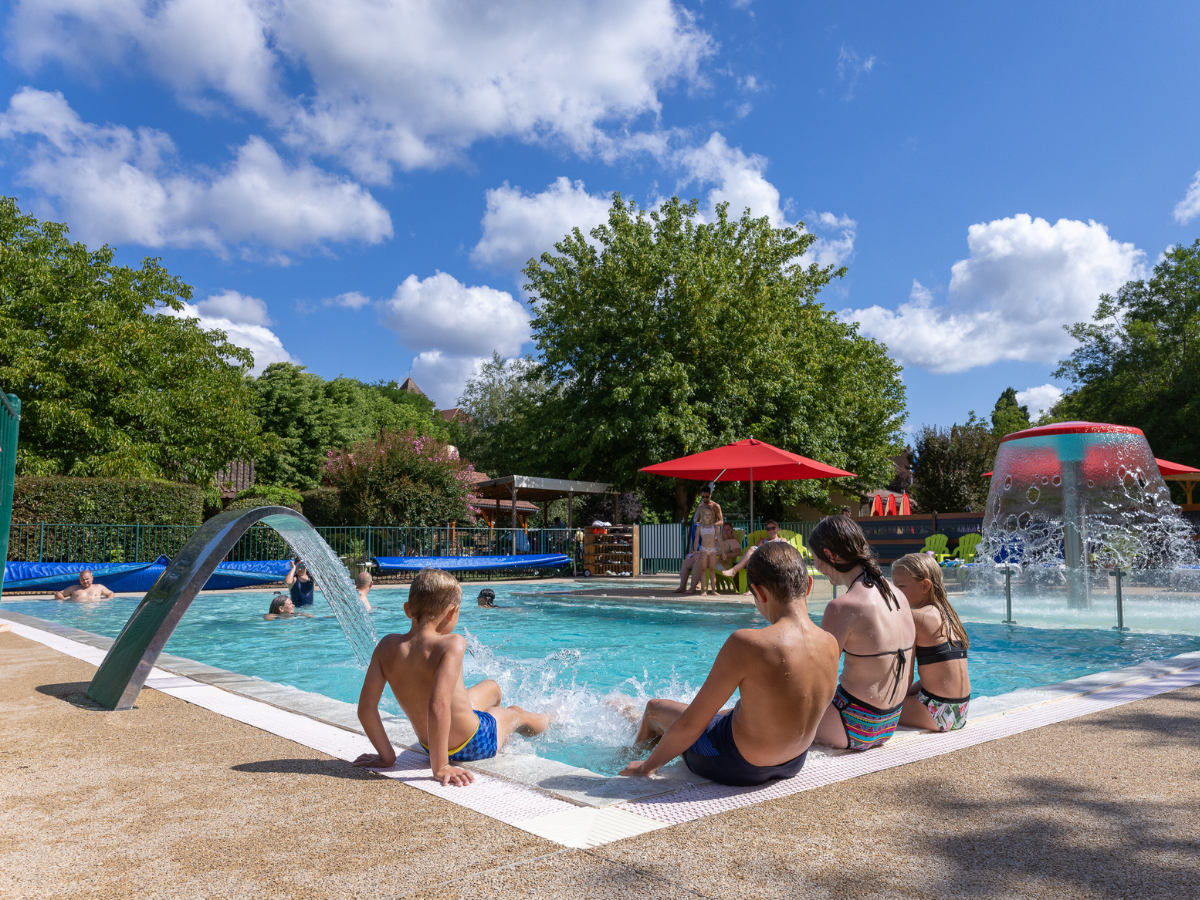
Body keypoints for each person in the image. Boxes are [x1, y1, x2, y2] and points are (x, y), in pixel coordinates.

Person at [619, 542, 839, 786]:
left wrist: (646, 767)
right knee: (729, 711)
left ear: (759, 592)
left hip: (737, 764)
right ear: (807, 585)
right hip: (793, 762)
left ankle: (630, 758)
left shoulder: (748, 643)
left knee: (653, 708)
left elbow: (692, 723)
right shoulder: (830, 642)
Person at [353, 567, 551, 786]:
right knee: (516, 713)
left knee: (492, 686)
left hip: (429, 744)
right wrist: (441, 766)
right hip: (475, 743)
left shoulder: (386, 646)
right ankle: (551, 720)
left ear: (408, 610)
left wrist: (387, 757)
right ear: (452, 612)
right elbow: (438, 706)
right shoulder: (452, 643)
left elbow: (366, 708)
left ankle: (486, 721)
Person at [810, 515, 916, 751]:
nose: (817, 567)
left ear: (830, 555)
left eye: (815, 559)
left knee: (764, 709)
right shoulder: (899, 596)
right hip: (888, 724)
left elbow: (815, 678)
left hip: (850, 723)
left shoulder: (844, 606)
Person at [892, 553, 971, 733]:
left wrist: (885, 702)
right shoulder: (951, 617)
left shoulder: (917, 618)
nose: (895, 592)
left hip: (935, 712)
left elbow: (905, 676)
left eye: (900, 586)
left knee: (868, 712)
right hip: (960, 711)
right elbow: (940, 673)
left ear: (925, 585)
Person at [719, 520, 787, 579]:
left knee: (752, 550)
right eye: (768, 529)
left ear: (777, 529)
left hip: (776, 560)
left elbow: (784, 553)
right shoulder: (762, 540)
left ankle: (734, 571)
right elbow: (756, 553)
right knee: (751, 556)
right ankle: (753, 588)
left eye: (773, 528)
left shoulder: (782, 540)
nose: (771, 530)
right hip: (763, 560)